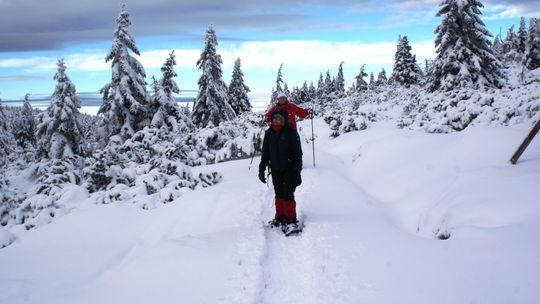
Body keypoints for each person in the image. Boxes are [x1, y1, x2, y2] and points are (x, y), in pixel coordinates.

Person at [259, 108, 303, 232]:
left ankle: (291, 220)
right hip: (275, 169)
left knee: (288, 194)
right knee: (278, 193)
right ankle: (280, 217)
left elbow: (297, 154)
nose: (276, 121)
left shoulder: (291, 132)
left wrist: (297, 171)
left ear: (284, 120)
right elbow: (265, 153)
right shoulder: (269, 133)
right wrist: (261, 169)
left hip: (289, 169)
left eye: (279, 118)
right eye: (274, 118)